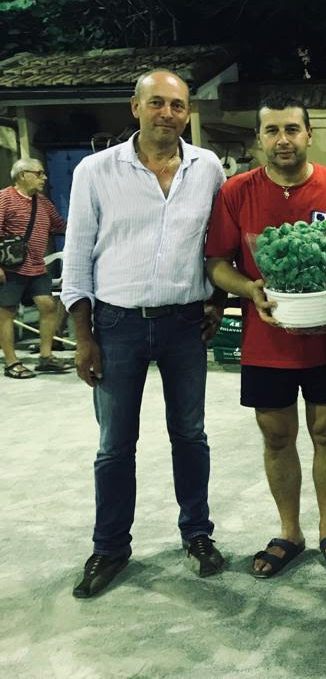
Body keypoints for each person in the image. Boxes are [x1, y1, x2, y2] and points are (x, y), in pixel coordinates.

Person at [62, 69, 227, 598]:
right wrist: (84, 336)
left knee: (191, 436)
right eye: (157, 103)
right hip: (116, 325)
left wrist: (217, 301)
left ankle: (197, 534)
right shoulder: (96, 170)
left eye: (178, 106)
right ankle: (110, 547)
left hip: (183, 323)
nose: (168, 114)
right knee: (114, 446)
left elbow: (219, 243)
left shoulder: (208, 168)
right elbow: (77, 255)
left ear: (187, 113)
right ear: (135, 107)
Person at [205, 95, 326, 578]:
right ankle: (289, 530)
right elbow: (217, 265)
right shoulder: (236, 192)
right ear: (259, 139)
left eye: (292, 129)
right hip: (265, 340)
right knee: (276, 437)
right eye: (272, 131)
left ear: (309, 134)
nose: (283, 140)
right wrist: (250, 288)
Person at [0, 157, 73, 378]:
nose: (44, 178)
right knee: (6, 313)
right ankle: (11, 362)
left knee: (48, 305)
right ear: (23, 175)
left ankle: (45, 357)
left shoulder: (42, 203)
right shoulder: (4, 199)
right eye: (39, 173)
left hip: (36, 267)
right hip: (11, 268)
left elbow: (60, 225)